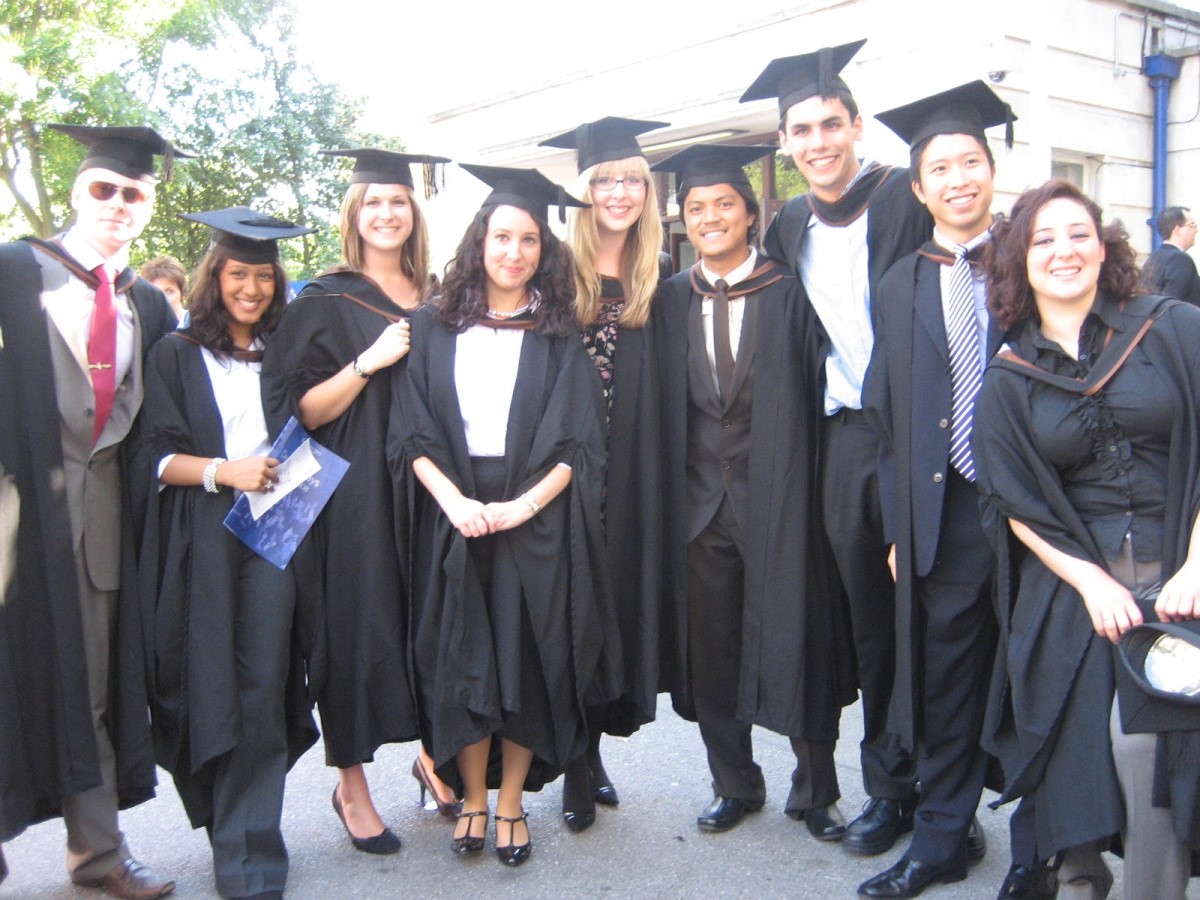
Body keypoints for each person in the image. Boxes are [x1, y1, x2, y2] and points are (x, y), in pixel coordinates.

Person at [974, 178, 1200, 900]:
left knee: (1146, 744)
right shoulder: (1010, 375)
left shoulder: (1172, 329)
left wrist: (1197, 565)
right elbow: (1014, 501)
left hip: (1183, 567)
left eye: (1079, 234)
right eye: (1043, 239)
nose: (1063, 251)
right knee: (1071, 736)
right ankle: (1079, 876)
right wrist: (1092, 582)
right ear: (1020, 260)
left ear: (1104, 248)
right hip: (1076, 582)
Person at [388, 164, 618, 867]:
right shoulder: (433, 326)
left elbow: (579, 439)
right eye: (502, 237)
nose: (514, 252)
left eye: (528, 240)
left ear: (543, 251)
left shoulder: (557, 333)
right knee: (462, 661)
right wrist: (455, 502)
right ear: (479, 242)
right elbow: (411, 431)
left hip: (534, 515)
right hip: (452, 512)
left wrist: (523, 505)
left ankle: (512, 800)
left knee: (525, 660)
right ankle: (474, 800)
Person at [740, 38, 930, 852]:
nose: (817, 142)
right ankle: (889, 784)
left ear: (856, 126)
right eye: (802, 130)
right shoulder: (789, 224)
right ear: (784, 143)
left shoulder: (905, 198)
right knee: (869, 624)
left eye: (830, 125)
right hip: (842, 442)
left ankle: (932, 792)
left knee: (930, 617)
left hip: (918, 437)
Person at [0, 125, 186, 899]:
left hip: (101, 523)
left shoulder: (146, 302)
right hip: (10, 515)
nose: (118, 203)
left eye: (134, 193)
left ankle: (99, 853)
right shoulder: (13, 269)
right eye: (104, 188)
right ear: (79, 190)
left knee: (94, 689)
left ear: (149, 206)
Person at [650, 143, 854, 837]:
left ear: (748, 214)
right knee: (711, 654)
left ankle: (816, 791)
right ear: (683, 219)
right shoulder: (671, 300)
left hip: (783, 501)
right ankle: (734, 783)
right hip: (700, 509)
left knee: (801, 640)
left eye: (723, 205)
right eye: (696, 208)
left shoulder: (789, 292)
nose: (710, 217)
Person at [261, 148, 457, 855]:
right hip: (353, 492)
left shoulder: (442, 296)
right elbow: (303, 412)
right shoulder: (322, 298)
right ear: (354, 214)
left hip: (429, 485)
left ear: (414, 212)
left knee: (432, 621)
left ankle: (434, 758)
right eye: (373, 201)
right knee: (351, 630)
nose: (386, 213)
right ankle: (352, 787)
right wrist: (367, 362)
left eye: (398, 201)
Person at [860, 82, 1021, 899]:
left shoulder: (1034, 257)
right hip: (947, 512)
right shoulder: (901, 283)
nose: (959, 179)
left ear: (992, 169)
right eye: (941, 169)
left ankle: (1047, 850)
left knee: (1045, 678)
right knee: (950, 682)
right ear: (919, 189)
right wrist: (900, 526)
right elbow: (886, 417)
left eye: (970, 162)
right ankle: (941, 840)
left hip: (1037, 510)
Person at [137, 207, 318, 899]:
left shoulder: (285, 354)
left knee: (264, 682)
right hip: (203, 534)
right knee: (209, 684)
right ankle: (227, 824)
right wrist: (223, 470)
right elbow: (155, 457)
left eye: (264, 276)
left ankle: (252, 846)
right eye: (238, 273)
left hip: (275, 529)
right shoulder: (176, 353)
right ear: (215, 277)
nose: (251, 288)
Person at [538, 116, 668, 833]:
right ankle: (575, 763)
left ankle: (592, 751)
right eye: (605, 181)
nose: (619, 193)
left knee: (613, 608)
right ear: (584, 191)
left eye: (632, 181)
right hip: (564, 470)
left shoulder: (659, 276)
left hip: (632, 472)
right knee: (571, 611)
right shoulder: (555, 272)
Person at [1139, 205, 1200, 306]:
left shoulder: (1153, 258)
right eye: (1192, 225)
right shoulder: (1180, 259)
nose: (1196, 230)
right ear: (1177, 230)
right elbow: (1173, 304)